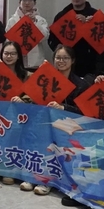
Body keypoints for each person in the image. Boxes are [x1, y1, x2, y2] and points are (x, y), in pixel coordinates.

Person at [31, 44, 91, 195]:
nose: (61, 61)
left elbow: (84, 111)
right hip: (46, 122)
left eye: (65, 58)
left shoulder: (80, 84)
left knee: (54, 141)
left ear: (73, 60)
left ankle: (48, 180)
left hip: (70, 125)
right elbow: (35, 101)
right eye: (58, 58)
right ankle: (34, 176)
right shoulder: (47, 78)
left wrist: (63, 107)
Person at [0, 40, 30, 186]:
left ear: (18, 56)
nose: (9, 56)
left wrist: (22, 99)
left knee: (14, 131)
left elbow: (31, 95)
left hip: (18, 114)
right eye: (6, 53)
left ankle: (9, 167)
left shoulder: (25, 75)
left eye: (13, 54)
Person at [48, 0, 98, 77]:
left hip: (88, 63)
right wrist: (61, 52)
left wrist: (87, 24)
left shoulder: (94, 15)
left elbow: (101, 41)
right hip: (65, 61)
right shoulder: (62, 15)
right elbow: (52, 39)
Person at [6, 0, 49, 68]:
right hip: (16, 61)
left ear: (34, 3)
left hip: (35, 62)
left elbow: (44, 37)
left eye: (30, 0)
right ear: (19, 2)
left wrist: (34, 23)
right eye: (24, 0)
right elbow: (9, 40)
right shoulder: (12, 20)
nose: (27, 3)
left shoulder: (40, 20)